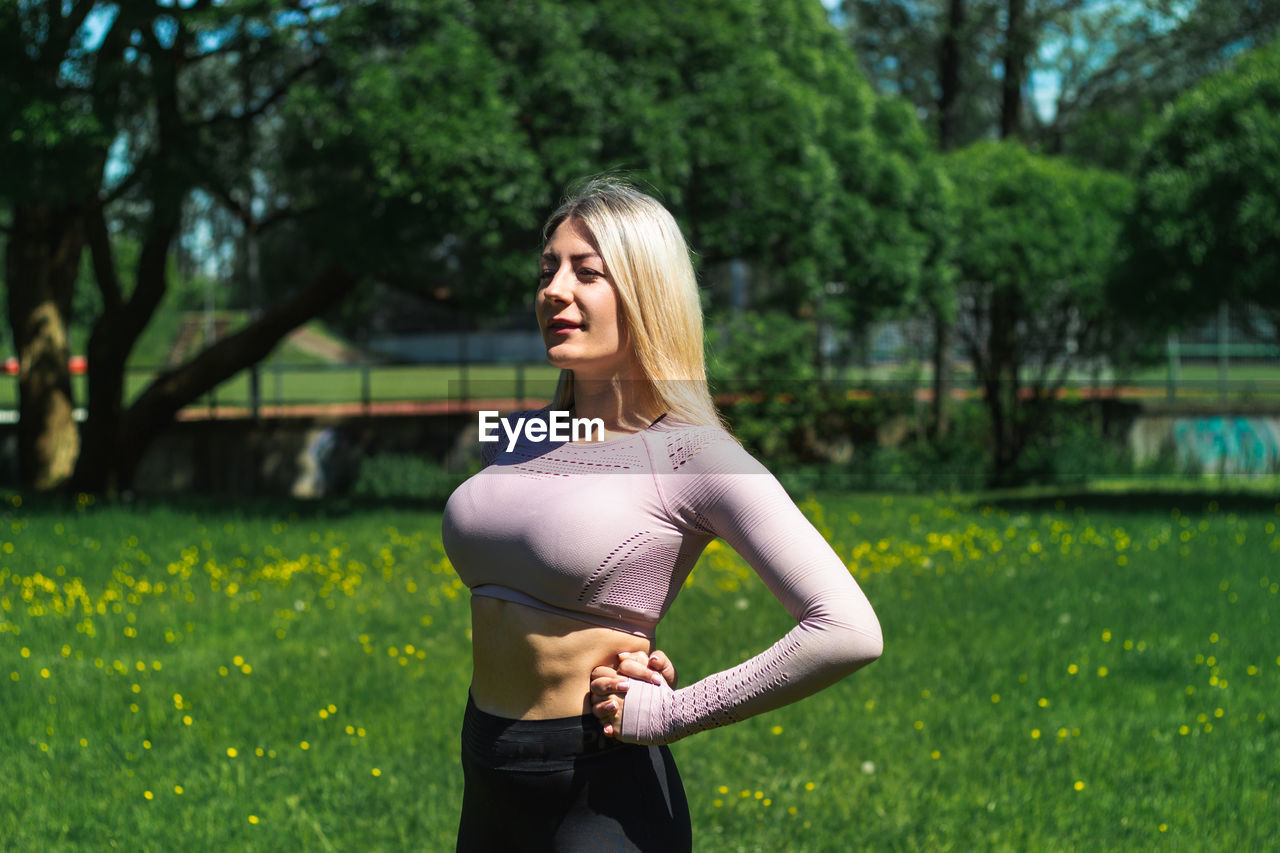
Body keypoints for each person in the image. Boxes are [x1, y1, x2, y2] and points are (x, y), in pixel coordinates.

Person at [442, 177, 883, 852]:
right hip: (488, 767)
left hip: (600, 791)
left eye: (586, 272)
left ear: (646, 291)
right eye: (548, 269)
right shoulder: (525, 433)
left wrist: (677, 708)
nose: (554, 289)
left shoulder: (693, 453)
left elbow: (849, 628)